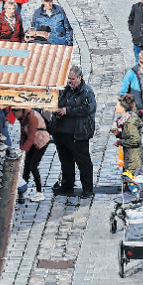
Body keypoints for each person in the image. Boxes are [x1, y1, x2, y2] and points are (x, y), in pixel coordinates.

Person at [48, 65, 97, 201]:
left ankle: (88, 189)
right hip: (62, 132)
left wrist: (67, 111)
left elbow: (88, 108)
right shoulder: (64, 90)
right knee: (66, 161)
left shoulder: (87, 92)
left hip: (78, 133)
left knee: (83, 162)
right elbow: (57, 101)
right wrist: (56, 111)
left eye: (72, 79)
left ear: (79, 78)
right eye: (68, 79)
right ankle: (67, 185)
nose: (70, 82)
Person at [14, 107, 51, 202]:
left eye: (15, 112)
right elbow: (23, 135)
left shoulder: (31, 117)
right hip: (33, 142)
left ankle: (40, 192)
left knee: (33, 166)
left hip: (41, 141)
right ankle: (24, 190)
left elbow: (31, 137)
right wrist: (21, 148)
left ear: (20, 111)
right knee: (27, 165)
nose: (14, 115)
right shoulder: (22, 118)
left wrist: (23, 151)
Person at [112, 93, 143, 174]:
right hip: (131, 158)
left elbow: (135, 140)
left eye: (117, 105)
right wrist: (119, 134)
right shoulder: (126, 120)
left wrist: (120, 142)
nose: (115, 107)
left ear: (123, 108)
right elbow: (130, 136)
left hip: (134, 161)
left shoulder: (130, 122)